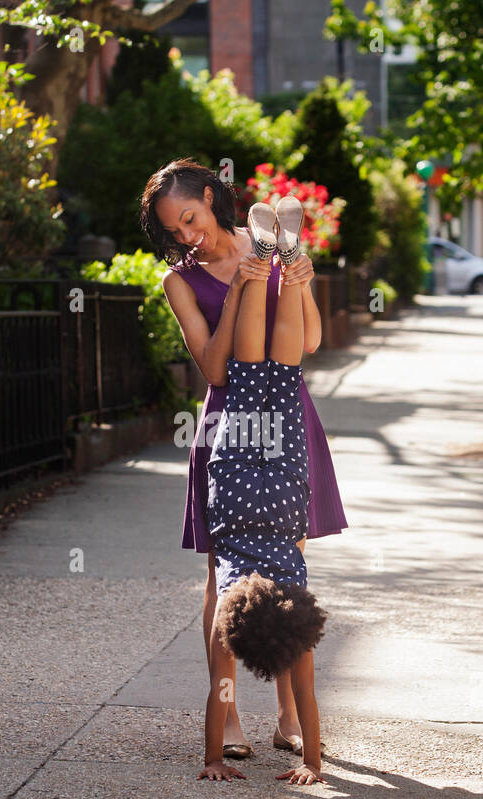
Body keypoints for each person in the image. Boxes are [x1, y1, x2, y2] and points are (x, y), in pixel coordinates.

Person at [138, 157, 347, 765]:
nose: (186, 236)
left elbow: (307, 344)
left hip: (284, 412)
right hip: (230, 424)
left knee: (290, 561)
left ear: (210, 197)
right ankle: (225, 710)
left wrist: (298, 279)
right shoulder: (180, 280)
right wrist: (239, 295)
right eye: (173, 230)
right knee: (220, 576)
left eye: (190, 218)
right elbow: (213, 367)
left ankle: (289, 715)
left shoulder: (272, 250)